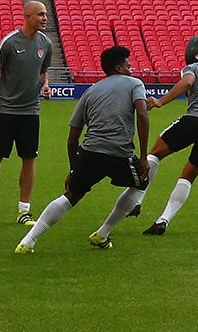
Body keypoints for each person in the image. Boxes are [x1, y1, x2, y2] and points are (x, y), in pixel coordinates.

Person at [13, 45, 151, 252]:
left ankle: (28, 241)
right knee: (143, 181)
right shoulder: (134, 84)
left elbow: (72, 137)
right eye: (128, 65)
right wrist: (143, 156)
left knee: (71, 196)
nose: (131, 68)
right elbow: (142, 114)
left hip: (89, 153)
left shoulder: (91, 91)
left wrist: (73, 170)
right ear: (119, 68)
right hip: (119, 153)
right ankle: (103, 232)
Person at [129, 35, 198, 236]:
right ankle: (164, 220)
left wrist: (161, 101)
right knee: (188, 177)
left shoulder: (195, 68)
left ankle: (137, 200)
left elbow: (188, 83)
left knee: (155, 154)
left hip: (194, 120)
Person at [0, 1, 54, 229]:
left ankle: (24, 211)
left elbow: (43, 72)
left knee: (29, 159)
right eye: (40, 14)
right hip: (6, 111)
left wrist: (45, 85)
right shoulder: (9, 43)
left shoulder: (46, 43)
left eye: (46, 14)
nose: (45, 18)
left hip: (30, 112)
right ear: (27, 16)